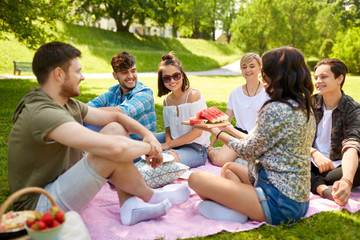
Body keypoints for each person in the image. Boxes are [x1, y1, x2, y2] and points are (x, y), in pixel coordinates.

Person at [7, 42, 190, 226]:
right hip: (38, 206)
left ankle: (130, 206)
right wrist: (151, 148)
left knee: (115, 130)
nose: (83, 77)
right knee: (111, 151)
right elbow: (116, 148)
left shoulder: (67, 104)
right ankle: (151, 196)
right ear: (59, 74)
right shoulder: (43, 113)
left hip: (59, 182)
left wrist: (147, 135)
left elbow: (116, 117)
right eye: (77, 72)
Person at [188, 47, 316, 225]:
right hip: (297, 199)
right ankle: (240, 205)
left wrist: (216, 132)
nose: (262, 76)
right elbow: (255, 142)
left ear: (279, 75)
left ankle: (238, 211)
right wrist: (226, 129)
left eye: (266, 71)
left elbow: (248, 152)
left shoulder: (274, 109)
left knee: (195, 179)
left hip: (279, 203)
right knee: (229, 168)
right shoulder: (304, 107)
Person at [310, 58, 360, 206]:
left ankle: (318, 183)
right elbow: (294, 138)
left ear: (339, 79)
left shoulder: (353, 109)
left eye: (324, 77)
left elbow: (352, 145)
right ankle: (323, 189)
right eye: (316, 77)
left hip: (337, 167)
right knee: (287, 162)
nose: (318, 81)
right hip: (309, 162)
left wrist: (346, 181)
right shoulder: (310, 104)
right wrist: (314, 152)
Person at [208, 53, 269, 167]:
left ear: (260, 68)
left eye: (252, 66)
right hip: (237, 135)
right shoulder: (235, 93)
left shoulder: (268, 93)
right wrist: (210, 145)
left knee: (258, 165)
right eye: (244, 67)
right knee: (219, 160)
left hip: (257, 139)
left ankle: (237, 156)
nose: (248, 70)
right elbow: (224, 121)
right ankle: (211, 152)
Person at [84, 52, 156, 140]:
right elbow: (86, 107)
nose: (130, 76)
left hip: (140, 146)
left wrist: (85, 112)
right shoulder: (113, 93)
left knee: (114, 126)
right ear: (115, 75)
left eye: (133, 71)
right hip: (118, 143)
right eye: (124, 72)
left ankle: (86, 150)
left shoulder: (145, 93)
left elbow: (121, 112)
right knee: (81, 120)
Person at [157, 53, 210, 168]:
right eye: (166, 78)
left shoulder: (193, 95)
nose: (172, 81)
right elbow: (168, 131)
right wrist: (168, 147)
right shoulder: (167, 101)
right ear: (162, 80)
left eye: (176, 76)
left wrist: (167, 146)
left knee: (165, 161)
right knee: (147, 141)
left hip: (196, 149)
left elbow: (197, 131)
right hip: (176, 143)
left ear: (182, 75)